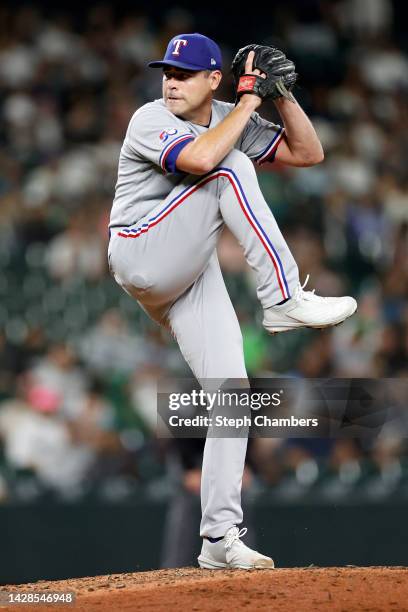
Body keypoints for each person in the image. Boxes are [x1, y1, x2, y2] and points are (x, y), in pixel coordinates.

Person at [108, 32, 357, 569]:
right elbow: (201, 157)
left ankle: (219, 537)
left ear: (213, 79)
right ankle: (283, 296)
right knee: (230, 166)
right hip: (140, 250)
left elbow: (309, 153)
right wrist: (248, 100)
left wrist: (280, 94)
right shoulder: (150, 118)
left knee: (231, 394)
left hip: (189, 271)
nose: (170, 82)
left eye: (184, 74)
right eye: (167, 72)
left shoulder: (228, 113)